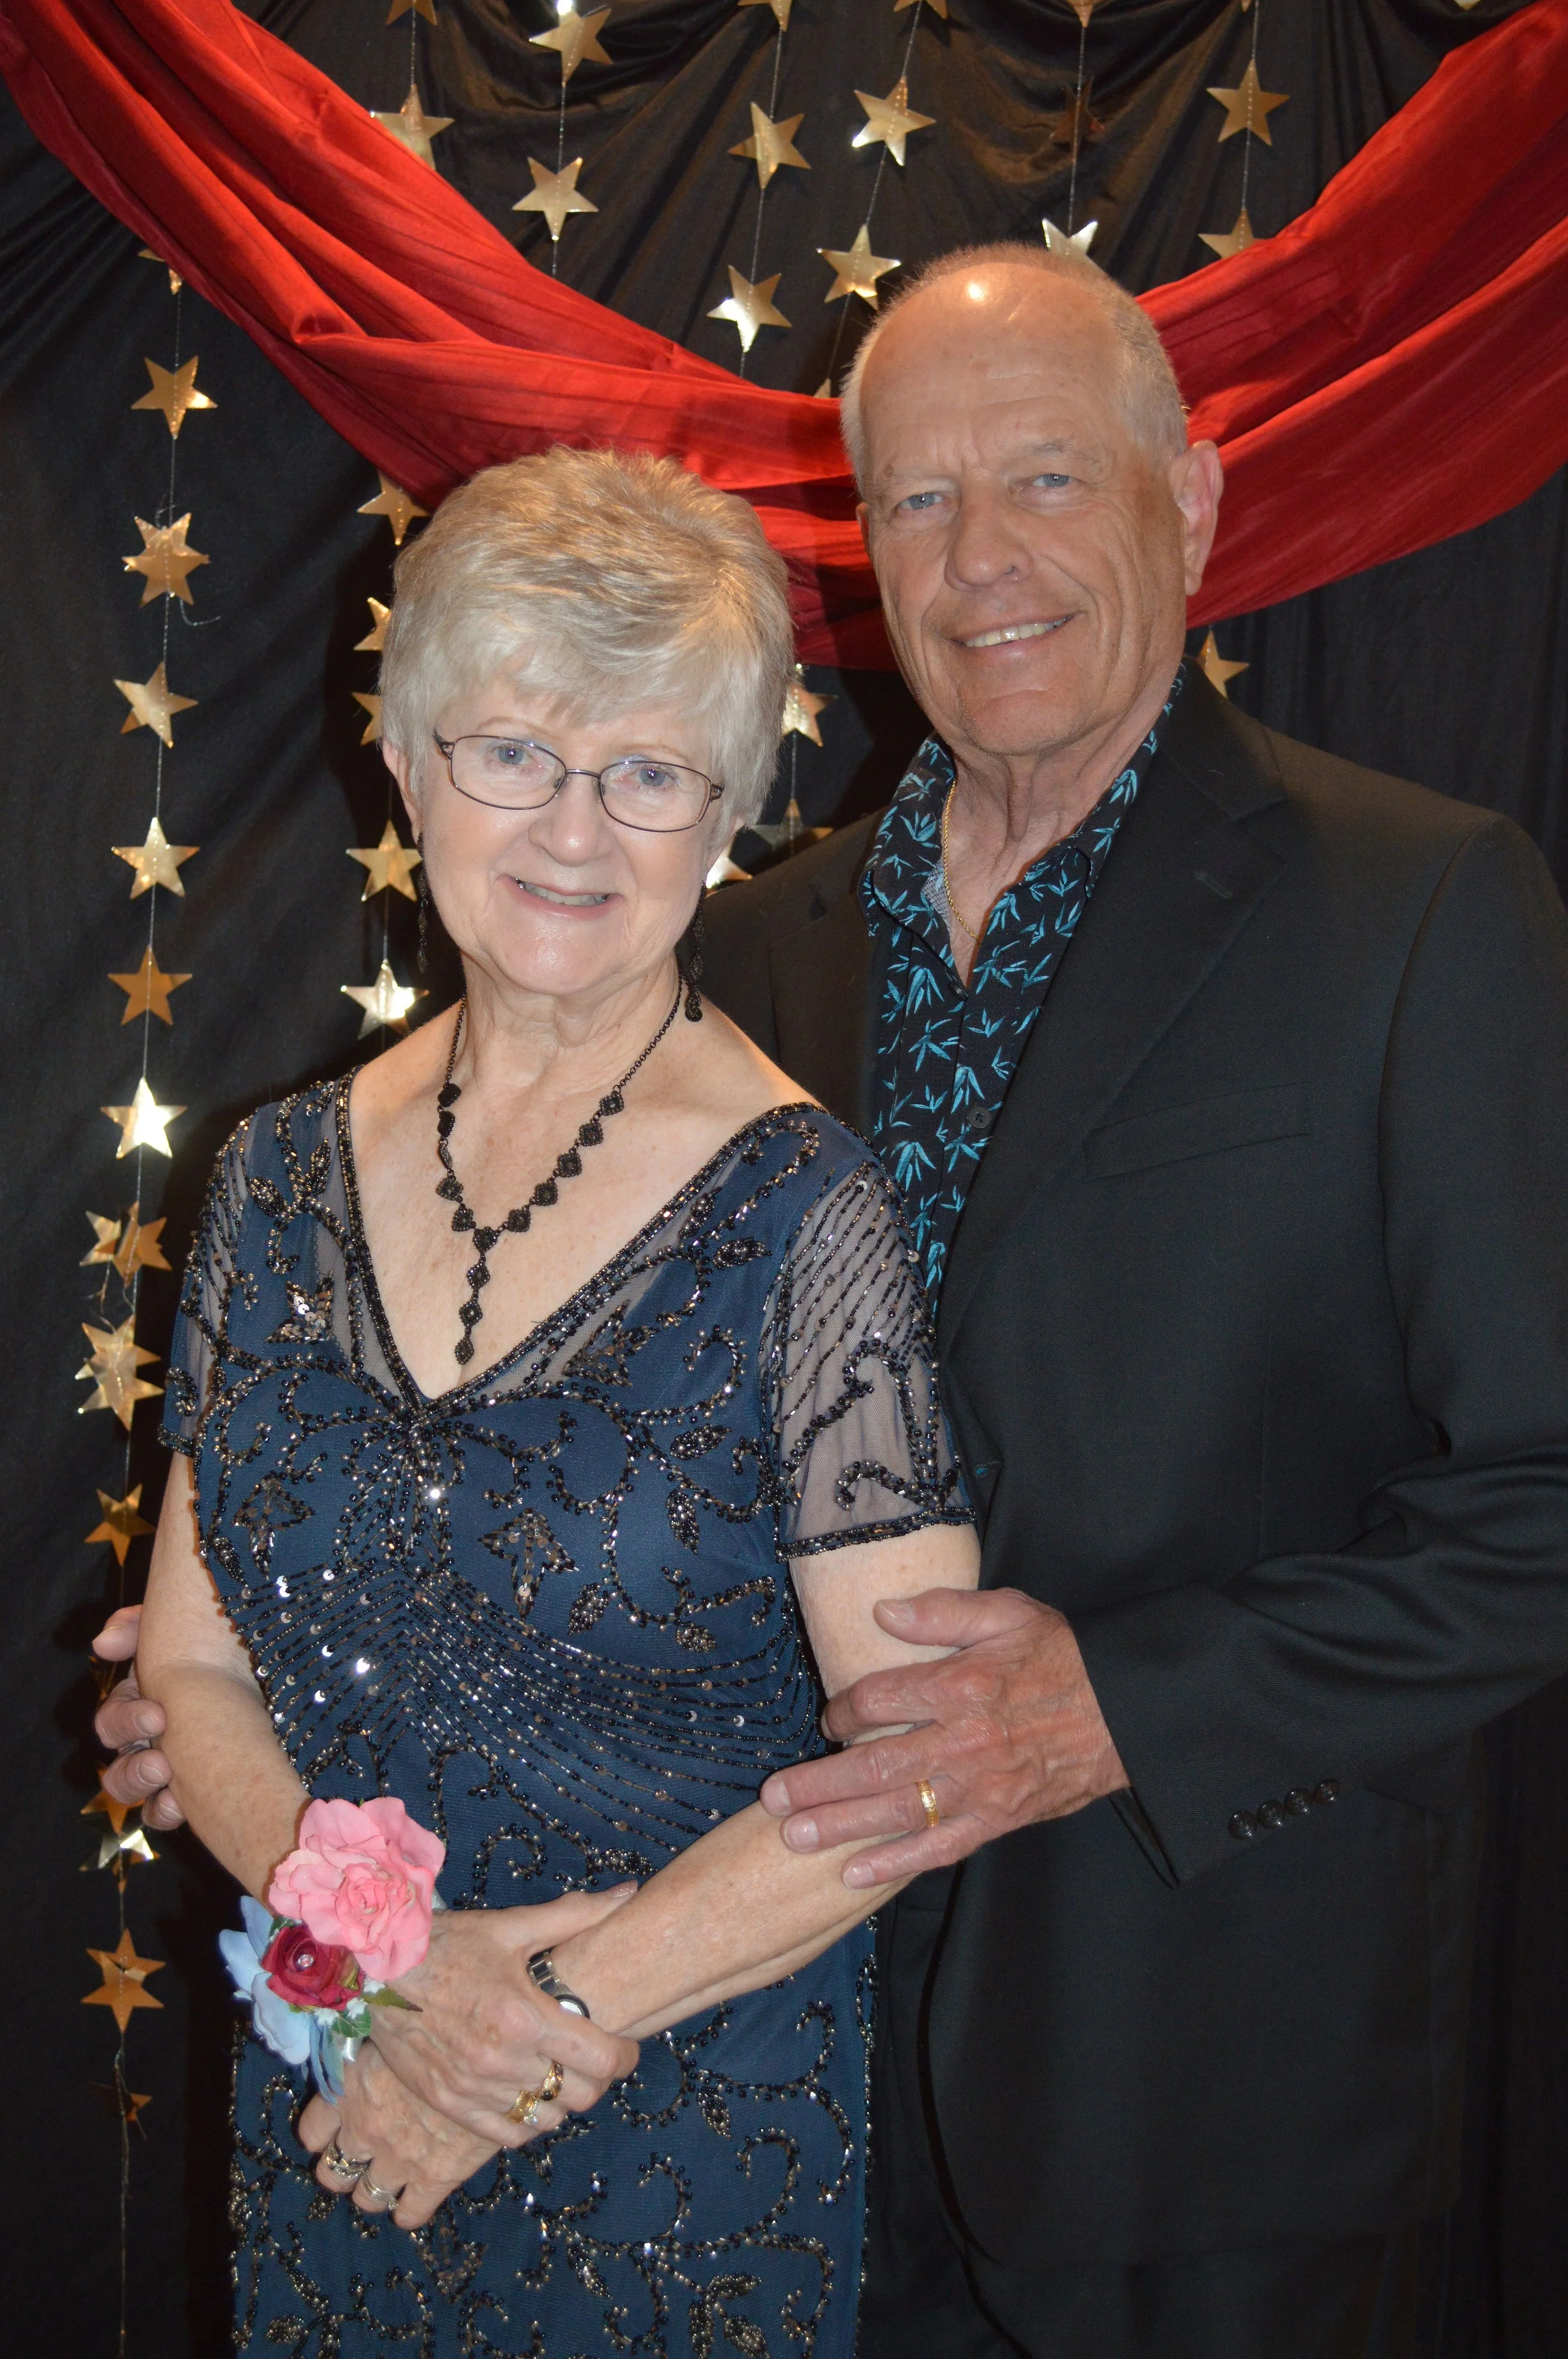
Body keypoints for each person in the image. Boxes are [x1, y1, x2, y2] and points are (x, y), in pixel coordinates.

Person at [99, 243, 1568, 2359]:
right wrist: (294, 1690)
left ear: (1199, 500)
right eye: (914, 501)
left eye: (1048, 479)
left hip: (1183, 2084)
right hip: (737, 2052)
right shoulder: (733, 947)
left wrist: (1111, 1711)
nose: (983, 559)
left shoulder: (1418, 911)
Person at [120, 444, 978, 2359]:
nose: (576, 827)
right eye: (513, 747)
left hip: (673, 2126)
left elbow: (921, 1759)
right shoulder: (266, 1186)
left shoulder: (804, 1214)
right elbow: (190, 1676)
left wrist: (551, 2015)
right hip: (342, 2081)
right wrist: (380, 1982)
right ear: (411, 762)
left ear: (730, 810)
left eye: (652, 772)